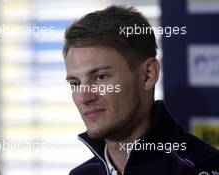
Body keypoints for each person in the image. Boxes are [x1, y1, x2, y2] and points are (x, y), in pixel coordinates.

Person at [63, 5, 219, 175]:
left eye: (101, 77)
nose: (84, 97)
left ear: (148, 75)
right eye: (75, 84)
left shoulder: (201, 169)